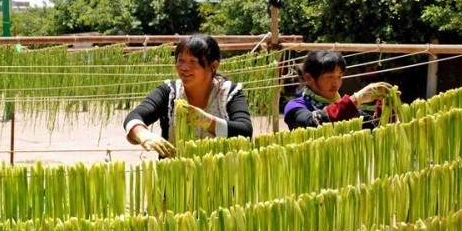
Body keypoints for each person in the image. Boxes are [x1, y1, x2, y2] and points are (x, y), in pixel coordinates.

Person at [124, 34, 253, 157]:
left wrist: (207, 122)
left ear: (213, 66)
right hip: (174, 174)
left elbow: (245, 131)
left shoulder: (230, 91)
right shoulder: (169, 91)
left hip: (221, 178)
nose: (184, 67)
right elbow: (135, 116)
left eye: (193, 61)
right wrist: (141, 133)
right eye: (181, 61)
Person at [283, 50, 392, 130]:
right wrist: (355, 99)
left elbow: (377, 129)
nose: (336, 83)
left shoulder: (348, 109)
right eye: (329, 77)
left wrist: (385, 104)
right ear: (309, 78)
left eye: (339, 76)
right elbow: (312, 124)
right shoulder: (295, 107)